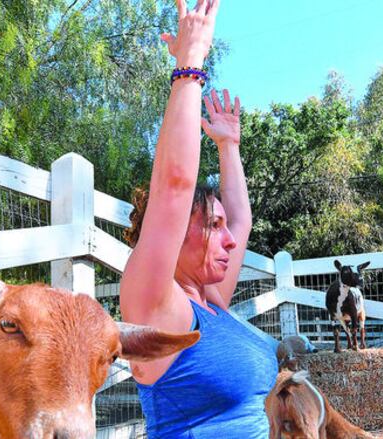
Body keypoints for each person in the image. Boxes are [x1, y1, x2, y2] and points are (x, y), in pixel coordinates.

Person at [119, 1, 277, 438]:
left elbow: (241, 221)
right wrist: (190, 66)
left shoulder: (212, 304)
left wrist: (229, 146)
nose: (229, 241)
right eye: (212, 225)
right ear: (173, 232)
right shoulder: (155, 307)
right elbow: (173, 186)